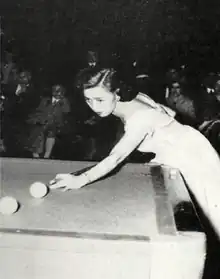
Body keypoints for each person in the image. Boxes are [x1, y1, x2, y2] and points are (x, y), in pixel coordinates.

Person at [49, 67, 220, 239]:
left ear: (116, 94)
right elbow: (171, 113)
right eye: (88, 100)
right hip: (187, 146)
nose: (94, 106)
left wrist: (80, 180)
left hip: (194, 158)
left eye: (100, 100)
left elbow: (116, 158)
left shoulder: (139, 119)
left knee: (215, 217)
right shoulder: (136, 96)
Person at [26, 84, 70, 159]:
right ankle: (35, 154)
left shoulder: (64, 101)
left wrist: (63, 102)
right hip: (42, 122)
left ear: (63, 92)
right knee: (37, 134)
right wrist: (39, 119)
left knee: (51, 134)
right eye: (55, 90)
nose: (57, 93)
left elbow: (66, 111)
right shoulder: (45, 100)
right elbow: (39, 110)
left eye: (59, 91)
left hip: (55, 124)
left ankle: (47, 155)